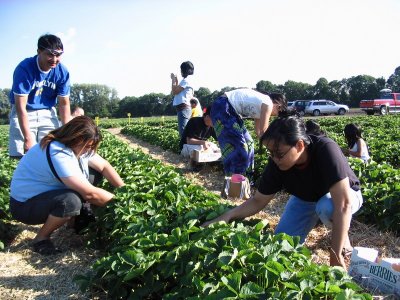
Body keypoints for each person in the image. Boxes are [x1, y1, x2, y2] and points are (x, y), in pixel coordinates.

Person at [203, 116, 363, 269]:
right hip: (305, 198)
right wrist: (228, 215)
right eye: (271, 153)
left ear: (300, 145)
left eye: (279, 154)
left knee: (327, 207)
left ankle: (343, 242)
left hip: (343, 196)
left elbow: (343, 204)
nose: (275, 159)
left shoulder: (325, 149)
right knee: (281, 244)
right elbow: (258, 200)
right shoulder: (277, 163)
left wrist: (335, 256)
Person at [9, 116, 125, 255]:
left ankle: (74, 220)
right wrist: (123, 204)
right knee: (70, 201)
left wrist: (124, 190)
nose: (88, 151)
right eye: (87, 146)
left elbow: (104, 166)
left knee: (94, 173)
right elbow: (90, 194)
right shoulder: (58, 151)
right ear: (74, 139)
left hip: (47, 194)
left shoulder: (76, 146)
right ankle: (41, 239)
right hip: (25, 205)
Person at [8, 34, 71, 158]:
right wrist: (28, 138)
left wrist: (67, 131)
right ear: (39, 51)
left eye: (58, 55)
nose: (54, 59)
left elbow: (64, 104)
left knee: (51, 152)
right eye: (50, 54)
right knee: (21, 155)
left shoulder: (62, 72)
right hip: (25, 112)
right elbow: (21, 107)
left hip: (48, 112)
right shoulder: (24, 69)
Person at [210, 88, 286, 177]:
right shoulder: (268, 103)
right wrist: (274, 149)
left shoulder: (261, 107)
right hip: (223, 106)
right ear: (278, 105)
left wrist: (269, 148)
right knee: (238, 147)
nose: (275, 115)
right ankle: (234, 179)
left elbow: (259, 133)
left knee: (250, 143)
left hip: (231, 110)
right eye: (278, 112)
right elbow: (264, 131)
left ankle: (247, 177)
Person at [171, 61, 195, 137]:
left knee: (183, 133)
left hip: (183, 108)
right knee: (185, 131)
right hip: (184, 108)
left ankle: (185, 148)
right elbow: (175, 91)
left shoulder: (186, 80)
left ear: (183, 70)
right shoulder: (187, 80)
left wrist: (173, 80)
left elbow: (174, 91)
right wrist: (176, 80)